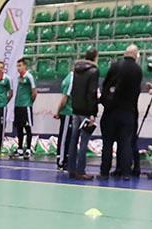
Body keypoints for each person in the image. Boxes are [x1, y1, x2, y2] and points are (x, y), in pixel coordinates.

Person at [98, 45, 143, 181]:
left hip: (111, 111)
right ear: (136, 55)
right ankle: (125, 172)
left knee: (107, 143)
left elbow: (105, 86)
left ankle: (104, 171)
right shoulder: (138, 70)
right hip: (128, 111)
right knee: (125, 143)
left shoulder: (115, 66)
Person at [67, 48, 100, 181]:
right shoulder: (94, 71)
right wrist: (92, 112)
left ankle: (71, 169)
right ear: (95, 58)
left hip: (76, 108)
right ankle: (81, 170)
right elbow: (91, 92)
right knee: (84, 141)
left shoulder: (77, 70)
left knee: (73, 140)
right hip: (86, 110)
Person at [13, 57, 37, 160]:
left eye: (20, 66)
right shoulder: (19, 78)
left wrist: (29, 102)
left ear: (24, 66)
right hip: (18, 105)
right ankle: (19, 148)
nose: (18, 68)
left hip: (26, 106)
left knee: (27, 127)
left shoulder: (29, 76)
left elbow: (34, 91)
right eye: (17, 66)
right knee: (19, 127)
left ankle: (28, 148)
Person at [54, 69, 74, 171]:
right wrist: (58, 111)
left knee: (68, 137)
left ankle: (65, 158)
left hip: (70, 112)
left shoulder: (71, 79)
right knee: (64, 137)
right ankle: (61, 160)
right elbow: (64, 98)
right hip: (67, 112)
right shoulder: (70, 80)